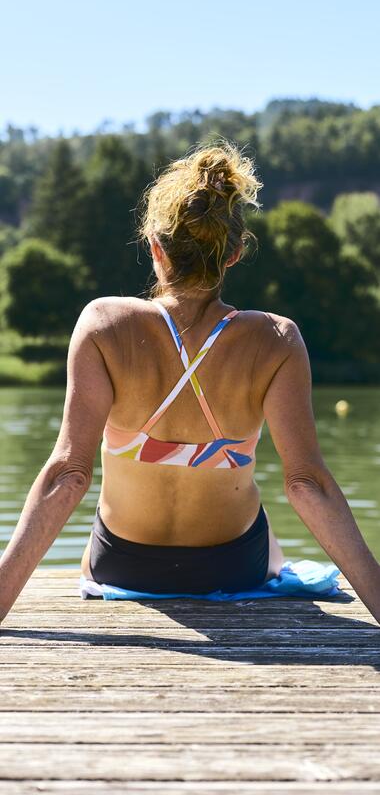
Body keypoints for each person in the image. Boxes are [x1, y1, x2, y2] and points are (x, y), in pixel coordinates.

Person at [1, 141, 380, 623]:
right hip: (232, 565)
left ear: (155, 247)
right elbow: (306, 483)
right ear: (235, 253)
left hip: (122, 563)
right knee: (274, 544)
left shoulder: (103, 324)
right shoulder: (276, 339)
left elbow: (68, 476)